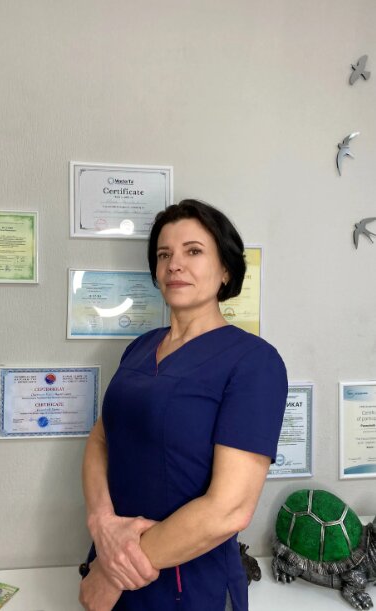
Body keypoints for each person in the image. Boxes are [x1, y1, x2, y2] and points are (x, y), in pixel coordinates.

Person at [79, 199, 288, 611]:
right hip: (110, 557)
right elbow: (101, 440)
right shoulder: (139, 348)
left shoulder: (254, 362)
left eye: (193, 251)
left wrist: (112, 573)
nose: (174, 264)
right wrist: (100, 523)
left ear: (225, 269)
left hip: (185, 585)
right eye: (164, 254)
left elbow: (228, 510)